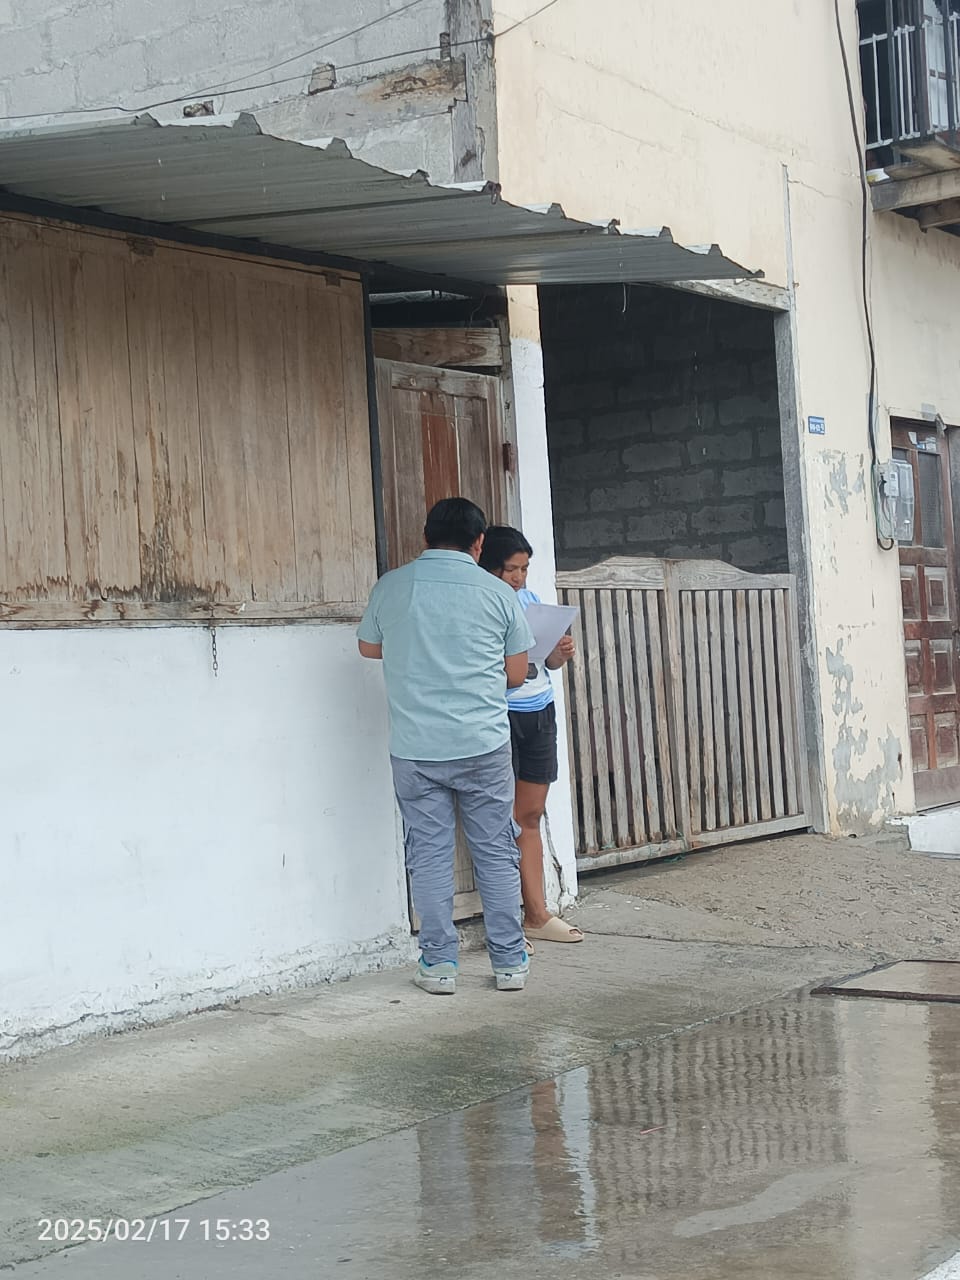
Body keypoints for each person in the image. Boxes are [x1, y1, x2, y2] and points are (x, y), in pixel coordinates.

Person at [357, 498, 536, 995]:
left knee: (430, 853)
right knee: (495, 850)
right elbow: (516, 674)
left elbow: (369, 647)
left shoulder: (392, 586)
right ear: (479, 543)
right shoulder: (497, 592)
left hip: (416, 747)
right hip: (483, 744)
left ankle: (438, 966)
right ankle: (509, 963)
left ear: (426, 536)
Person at [479, 526, 584, 947]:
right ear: (489, 566)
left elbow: (547, 664)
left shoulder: (530, 600)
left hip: (538, 711)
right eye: (511, 569)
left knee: (531, 814)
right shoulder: (481, 602)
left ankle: (537, 914)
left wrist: (560, 652)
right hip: (498, 714)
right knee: (496, 819)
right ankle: (507, 921)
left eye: (524, 569)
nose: (519, 578)